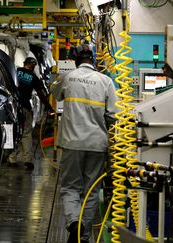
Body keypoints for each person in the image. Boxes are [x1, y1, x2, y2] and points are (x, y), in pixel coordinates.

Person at [51, 50, 118, 243]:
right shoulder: (106, 81)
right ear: (94, 62)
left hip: (72, 143)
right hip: (97, 144)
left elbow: (56, 94)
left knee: (70, 187)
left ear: (77, 63)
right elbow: (113, 116)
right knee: (91, 191)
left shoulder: (68, 77)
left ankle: (74, 222)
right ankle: (84, 236)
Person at [8, 57, 53, 169]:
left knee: (14, 132)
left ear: (24, 64)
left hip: (13, 107)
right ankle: (27, 160)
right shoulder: (33, 77)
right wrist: (49, 107)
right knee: (26, 133)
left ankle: (11, 158)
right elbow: (41, 94)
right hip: (25, 108)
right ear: (33, 66)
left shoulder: (16, 71)